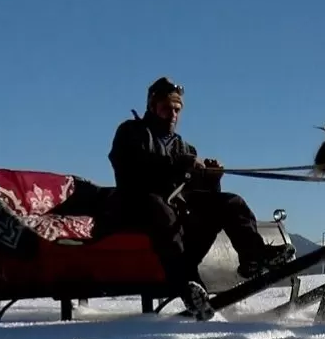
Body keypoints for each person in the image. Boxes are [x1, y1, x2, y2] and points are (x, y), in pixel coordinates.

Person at [96, 76, 295, 319]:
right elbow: (131, 168)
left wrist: (212, 178)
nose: (172, 115)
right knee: (160, 209)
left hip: (177, 214)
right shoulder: (131, 132)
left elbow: (201, 196)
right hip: (139, 207)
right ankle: (186, 284)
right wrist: (176, 164)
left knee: (231, 203)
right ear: (152, 106)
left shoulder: (184, 147)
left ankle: (254, 258)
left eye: (177, 110)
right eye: (166, 108)